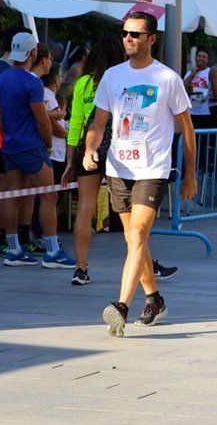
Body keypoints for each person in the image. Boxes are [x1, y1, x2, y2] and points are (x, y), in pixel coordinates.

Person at [84, 12, 196, 336]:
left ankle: (121, 305)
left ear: (151, 39)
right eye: (125, 33)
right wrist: (91, 148)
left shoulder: (167, 79)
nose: (128, 39)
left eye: (135, 34)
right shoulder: (112, 77)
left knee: (137, 235)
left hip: (153, 167)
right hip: (119, 167)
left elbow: (187, 130)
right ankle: (154, 298)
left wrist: (190, 174)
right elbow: (98, 123)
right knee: (135, 239)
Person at [65, 37, 181, 286]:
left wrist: (70, 160)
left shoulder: (84, 82)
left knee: (86, 208)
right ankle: (147, 266)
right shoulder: (122, 79)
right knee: (136, 213)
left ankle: (80, 267)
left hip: (91, 143)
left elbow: (75, 123)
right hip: (122, 143)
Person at [0, 33, 75, 269]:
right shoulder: (32, 82)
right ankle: (52, 252)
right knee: (49, 195)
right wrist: (48, 142)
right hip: (32, 146)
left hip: (11, 145)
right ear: (33, 54)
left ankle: (13, 249)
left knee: (11, 196)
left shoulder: (2, 78)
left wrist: (3, 126)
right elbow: (42, 120)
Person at [184, 48, 215, 129]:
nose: (201, 58)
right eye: (199, 56)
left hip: (204, 113)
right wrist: (192, 75)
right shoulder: (189, 72)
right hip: (191, 113)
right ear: (195, 58)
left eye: (204, 57)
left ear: (207, 60)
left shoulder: (210, 72)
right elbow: (182, 88)